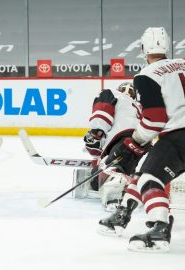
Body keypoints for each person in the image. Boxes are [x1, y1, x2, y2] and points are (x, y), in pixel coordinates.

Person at [97, 27, 185, 252]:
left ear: (143, 49)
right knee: (145, 172)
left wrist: (133, 143)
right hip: (177, 135)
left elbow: (155, 119)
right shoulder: (183, 63)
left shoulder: (147, 75)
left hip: (178, 136)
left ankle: (159, 229)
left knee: (149, 181)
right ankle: (123, 213)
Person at [73, 82, 141, 210]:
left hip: (122, 140)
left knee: (98, 178)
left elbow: (102, 114)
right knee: (139, 171)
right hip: (143, 144)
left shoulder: (112, 93)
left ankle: (113, 194)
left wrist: (96, 132)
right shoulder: (139, 107)